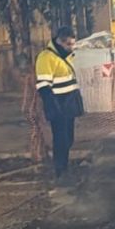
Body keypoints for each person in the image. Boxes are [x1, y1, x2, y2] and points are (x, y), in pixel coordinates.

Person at [35, 26, 84, 185]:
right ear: (60, 41)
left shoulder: (65, 55)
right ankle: (60, 172)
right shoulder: (46, 57)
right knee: (61, 140)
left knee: (68, 139)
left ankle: (64, 167)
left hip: (69, 104)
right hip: (58, 105)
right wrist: (54, 109)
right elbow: (43, 87)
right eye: (69, 44)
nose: (71, 48)